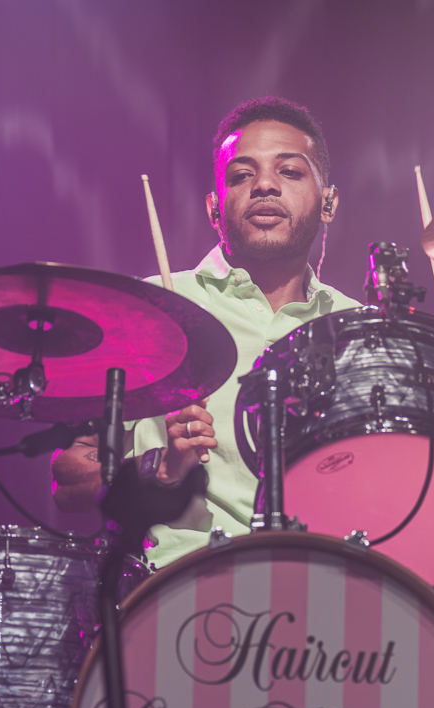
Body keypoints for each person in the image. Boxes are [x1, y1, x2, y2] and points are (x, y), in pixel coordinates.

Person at [51, 96, 360, 567]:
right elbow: (68, 479)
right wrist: (161, 468)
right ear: (215, 209)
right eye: (241, 175)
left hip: (327, 585)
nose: (264, 185)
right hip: (182, 583)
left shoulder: (357, 327)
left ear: (329, 203)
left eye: (290, 171)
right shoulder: (152, 307)